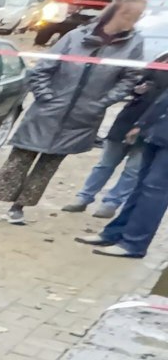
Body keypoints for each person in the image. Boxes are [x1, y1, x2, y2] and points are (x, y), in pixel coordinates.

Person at [0, 0, 148, 224]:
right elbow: (43, 68)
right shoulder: (76, 36)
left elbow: (130, 77)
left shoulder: (134, 44)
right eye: (134, 15)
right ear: (120, 13)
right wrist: (46, 96)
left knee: (48, 165)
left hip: (83, 116)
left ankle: (19, 207)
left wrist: (102, 102)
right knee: (19, 158)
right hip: (48, 110)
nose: (135, 21)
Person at [59, 50, 168, 218]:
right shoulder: (154, 66)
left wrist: (142, 126)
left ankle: (111, 203)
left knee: (132, 170)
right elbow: (133, 84)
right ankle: (84, 197)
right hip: (125, 122)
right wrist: (137, 90)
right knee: (105, 164)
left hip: (151, 129)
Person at [76, 72, 168, 257]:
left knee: (154, 191)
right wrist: (141, 124)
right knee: (141, 187)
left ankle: (134, 243)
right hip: (156, 132)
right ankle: (115, 234)